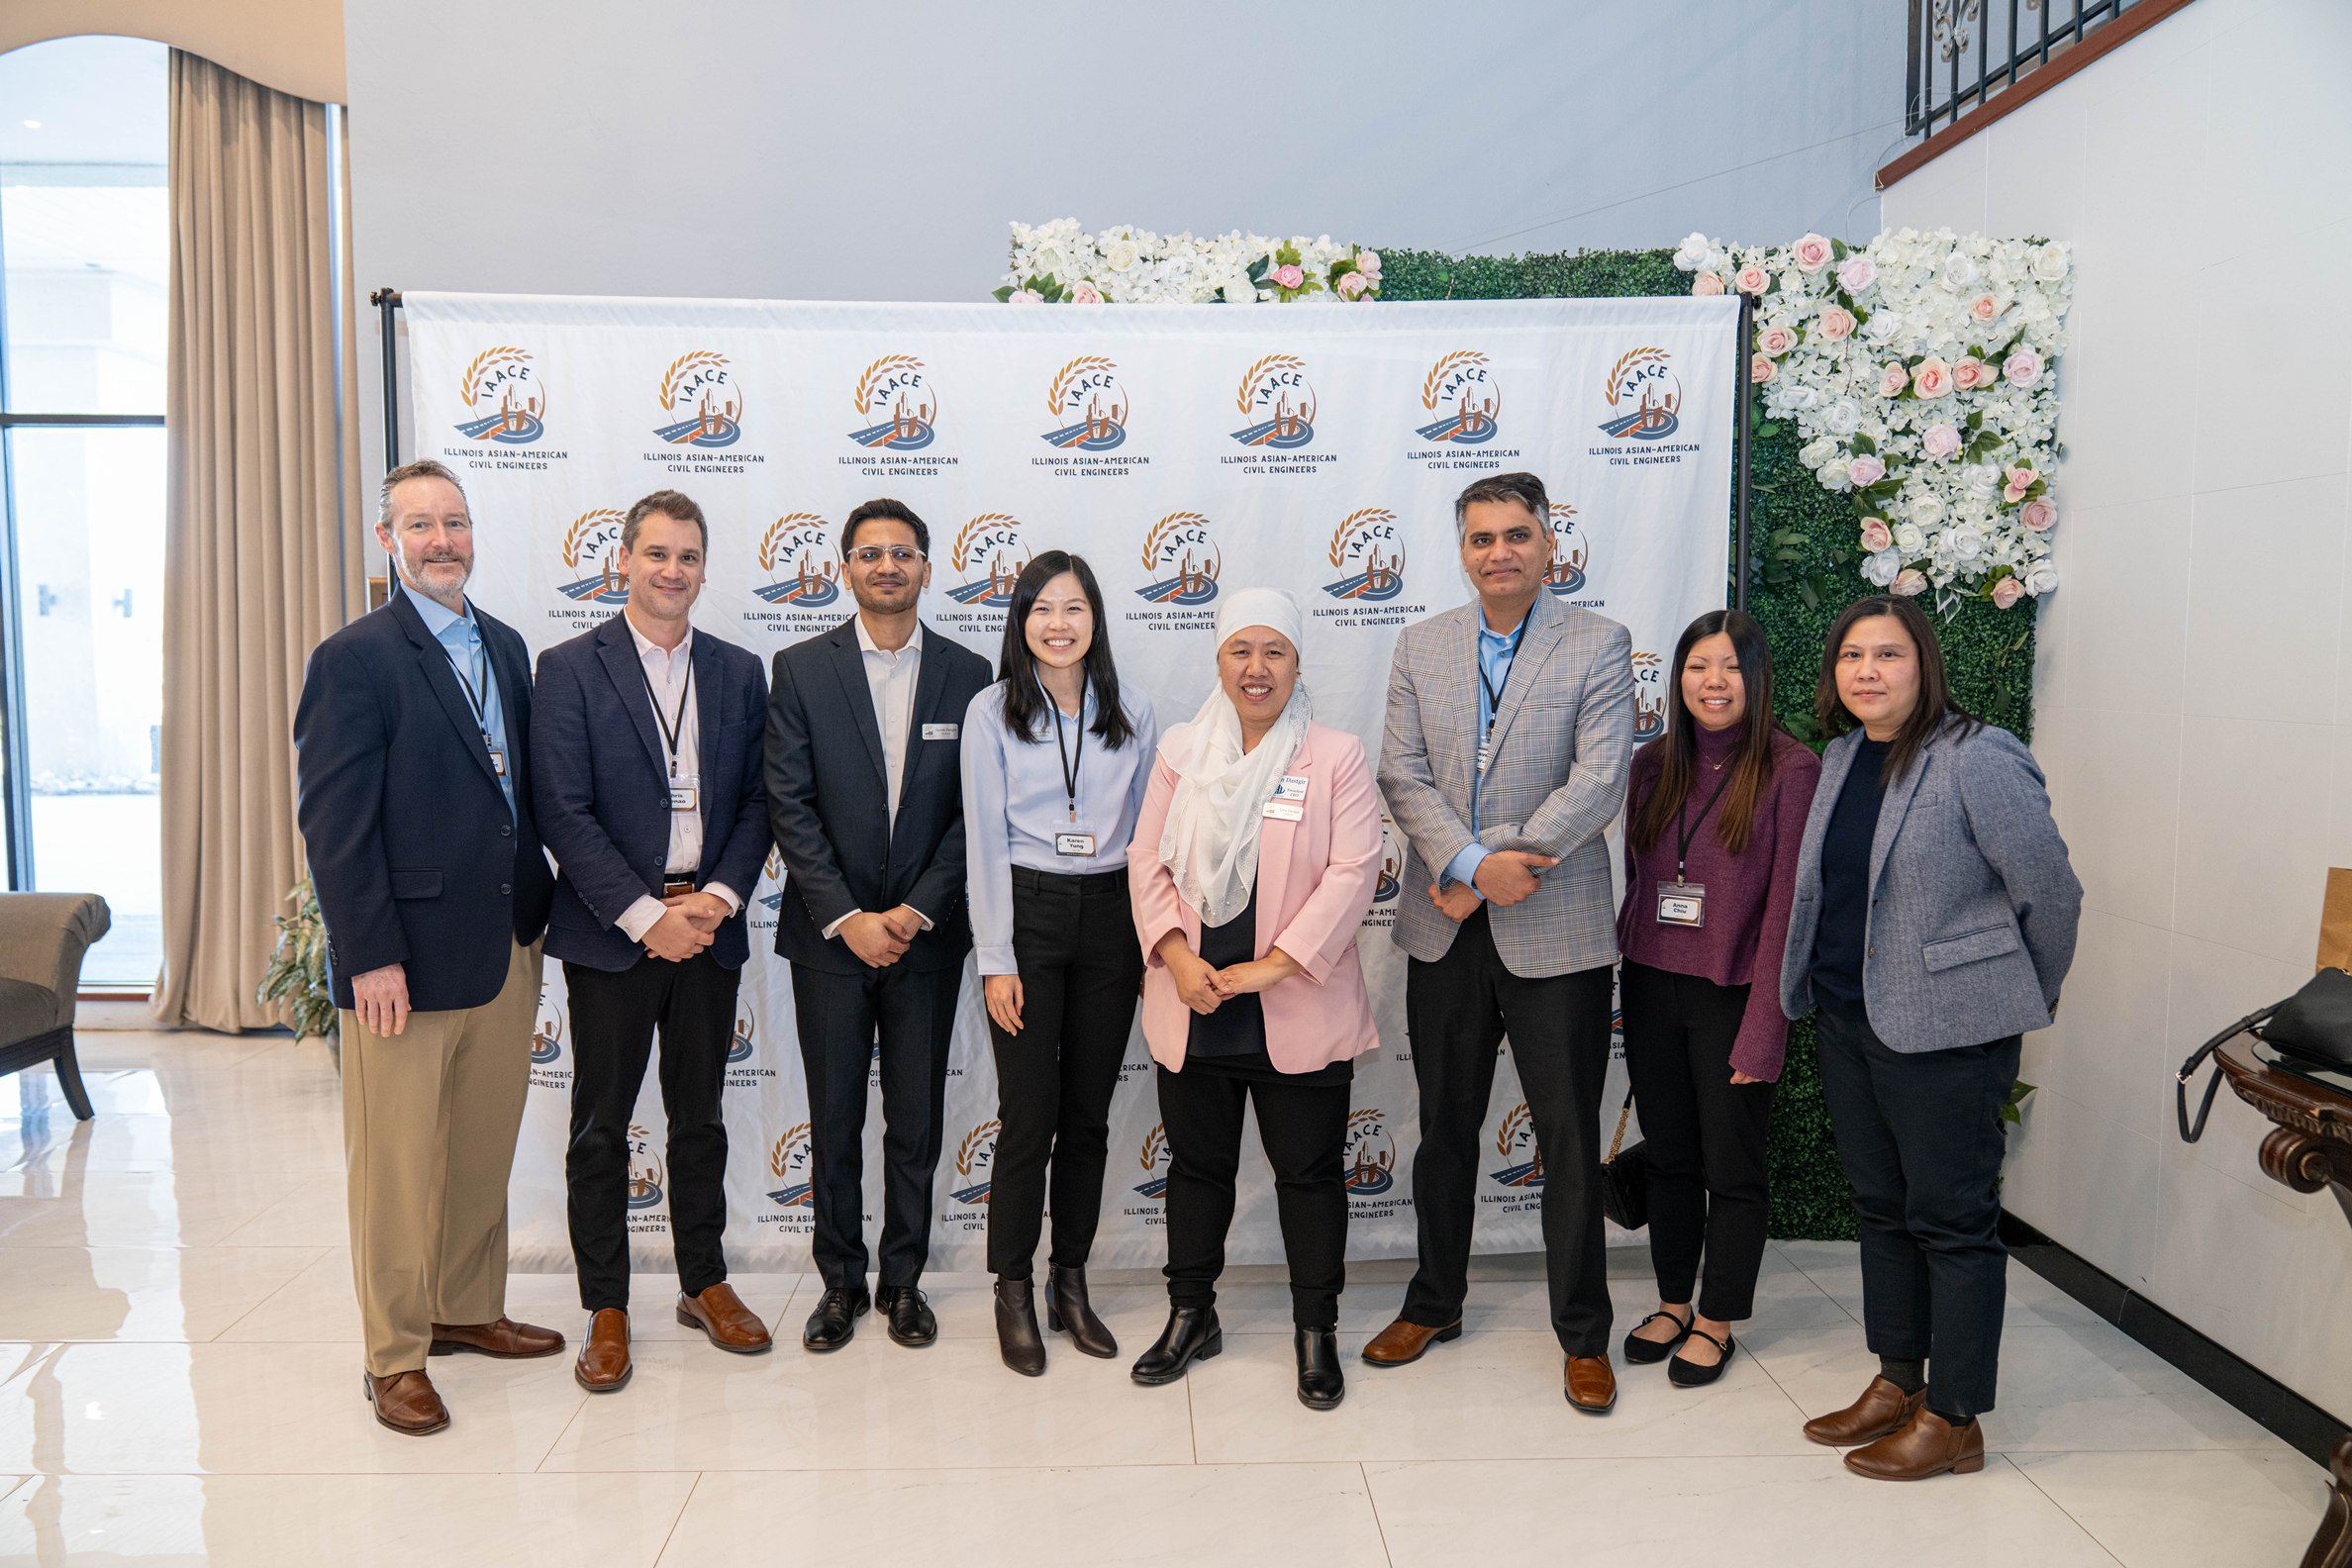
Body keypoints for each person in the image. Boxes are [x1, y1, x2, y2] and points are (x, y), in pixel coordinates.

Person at [1781, 593, 2080, 1481]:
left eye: (1889, 655)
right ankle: (1897, 1381)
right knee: (1881, 1208)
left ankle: (1955, 1418)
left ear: (1925, 666)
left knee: (1952, 1223)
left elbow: (2050, 894)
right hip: (1848, 1017)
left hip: (1949, 1032)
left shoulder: (1977, 755)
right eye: (1852, 656)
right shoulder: (1842, 757)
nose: (1867, 672)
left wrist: (2007, 998)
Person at [292, 459, 562, 1435]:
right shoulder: (354, 659)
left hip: (504, 943)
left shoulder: (506, 645)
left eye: (455, 522)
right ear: (388, 540)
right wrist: (368, 955)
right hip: (400, 960)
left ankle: (464, 1308)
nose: (442, 540)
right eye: (420, 525)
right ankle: (393, 1355)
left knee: (480, 1150)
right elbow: (334, 824)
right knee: (398, 1167)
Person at [1368, 470, 1632, 1415]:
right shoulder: (1421, 644)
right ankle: (1433, 1303)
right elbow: (1402, 774)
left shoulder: (1599, 643)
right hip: (1446, 924)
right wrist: (1475, 865)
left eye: (1517, 535)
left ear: (1549, 543)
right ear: (1463, 550)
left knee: (1568, 1139)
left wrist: (1501, 864)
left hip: (1554, 925)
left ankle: (1583, 1335)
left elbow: (1599, 778)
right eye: (1481, 538)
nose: (1500, 552)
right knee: (1445, 1131)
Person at [530, 489, 776, 1393]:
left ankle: (703, 1282)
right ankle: (606, 1306)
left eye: (689, 556)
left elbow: (757, 801)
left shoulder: (739, 671)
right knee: (601, 1128)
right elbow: (562, 809)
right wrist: (646, 919)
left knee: (700, 1119)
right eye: (658, 553)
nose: (673, 570)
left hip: (708, 928)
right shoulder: (568, 667)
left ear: (704, 569)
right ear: (623, 561)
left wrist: (715, 900)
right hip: (613, 936)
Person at [1125, 588, 1383, 1411]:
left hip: (1292, 1000)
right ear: (1219, 660)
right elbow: (1145, 859)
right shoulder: (1180, 751)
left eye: (1275, 651)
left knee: (1309, 1175)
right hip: (1196, 999)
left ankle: (1315, 1329)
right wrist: (1176, 956)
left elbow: (1354, 871)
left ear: (1298, 663)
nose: (1257, 667)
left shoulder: (1334, 756)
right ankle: (1190, 1315)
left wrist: (1273, 966)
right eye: (1241, 650)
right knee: (1198, 1170)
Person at [765, 497, 991, 1352]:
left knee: (915, 1122)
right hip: (829, 941)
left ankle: (903, 1282)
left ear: (928, 568)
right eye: (869, 553)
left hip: (925, 937)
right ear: (844, 568)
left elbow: (975, 810)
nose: (887, 566)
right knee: (832, 1119)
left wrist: (914, 910)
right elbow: (789, 804)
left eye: (902, 553)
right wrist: (848, 916)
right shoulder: (799, 669)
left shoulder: (970, 674)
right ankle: (839, 1283)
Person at [961, 551, 1158, 1376]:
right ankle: (1010, 1288)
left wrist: (1150, 940)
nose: (1058, 624)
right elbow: (983, 839)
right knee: (1028, 1115)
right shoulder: (990, 710)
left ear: (1096, 618)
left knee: (1086, 1117)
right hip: (1029, 913)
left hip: (1111, 918)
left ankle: (1068, 1281)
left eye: (1074, 607)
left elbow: (1147, 837)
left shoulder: (1133, 708)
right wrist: (997, 958)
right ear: (1021, 621)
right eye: (1041, 608)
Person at [1615, 609, 1819, 1387]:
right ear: (1679, 679)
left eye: (1731, 666)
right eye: (1699, 666)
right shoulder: (1652, 764)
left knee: (1731, 1166)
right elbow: (1639, 879)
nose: (1714, 682)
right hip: (1651, 982)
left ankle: (1717, 1318)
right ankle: (1673, 1302)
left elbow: (1790, 910)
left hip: (1735, 991)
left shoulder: (1791, 770)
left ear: (1757, 677)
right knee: (1669, 1157)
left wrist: (1766, 1027)